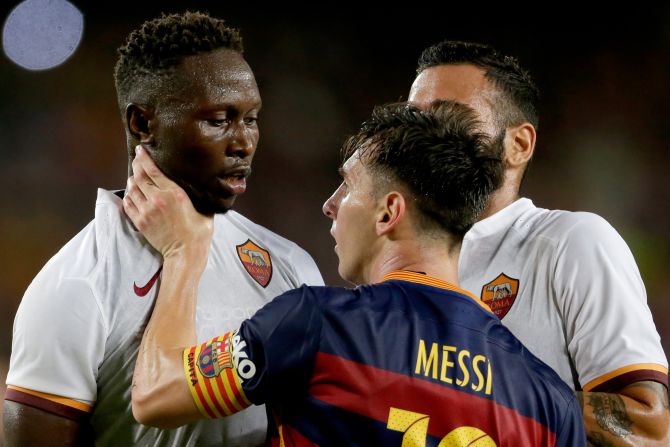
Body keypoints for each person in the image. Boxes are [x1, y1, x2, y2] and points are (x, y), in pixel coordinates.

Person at [124, 101, 586, 446]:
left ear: (389, 213)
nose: (331, 204)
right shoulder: (551, 403)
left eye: (348, 186)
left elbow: (155, 396)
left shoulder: (319, 325)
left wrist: (183, 251)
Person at [3, 11, 323, 447]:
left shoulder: (289, 264)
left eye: (250, 118)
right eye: (218, 120)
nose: (243, 141)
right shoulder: (77, 285)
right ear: (143, 124)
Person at [408, 40, 670, 445]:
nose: (423, 138)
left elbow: (650, 428)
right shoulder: (395, 269)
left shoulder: (569, 242)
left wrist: (478, 389)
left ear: (519, 145)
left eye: (451, 117)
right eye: (413, 121)